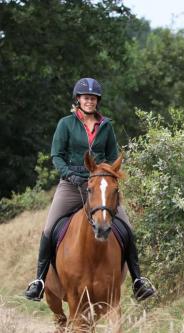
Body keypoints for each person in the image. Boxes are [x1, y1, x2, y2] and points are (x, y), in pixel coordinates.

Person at [25, 78, 155, 302]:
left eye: (93, 98)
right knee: (48, 229)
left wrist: (108, 174)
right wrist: (68, 173)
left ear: (97, 101)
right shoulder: (65, 124)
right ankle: (38, 281)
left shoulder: (106, 125)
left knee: (128, 228)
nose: (89, 101)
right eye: (86, 98)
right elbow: (57, 155)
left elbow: (114, 156)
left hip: (100, 185)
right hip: (70, 184)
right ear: (78, 100)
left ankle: (137, 281)